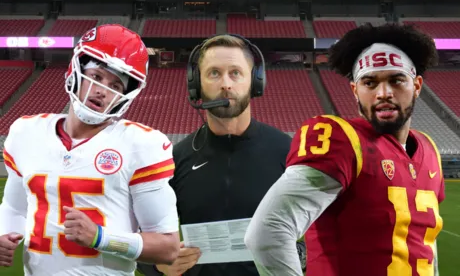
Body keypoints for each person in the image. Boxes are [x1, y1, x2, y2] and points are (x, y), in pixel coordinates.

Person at [244, 23, 445, 276]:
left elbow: (423, 244)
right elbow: (268, 232)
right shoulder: (342, 139)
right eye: (370, 83)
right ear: (355, 91)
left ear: (416, 86)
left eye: (396, 80)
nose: (384, 93)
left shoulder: (428, 149)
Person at [0, 24, 180, 275]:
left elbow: (168, 248)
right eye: (95, 77)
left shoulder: (140, 145)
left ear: (125, 96)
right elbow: (14, 208)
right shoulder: (26, 133)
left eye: (115, 86)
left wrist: (101, 238)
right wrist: (5, 235)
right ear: (75, 72)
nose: (102, 91)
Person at [137, 34, 304, 276]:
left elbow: (316, 234)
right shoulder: (175, 159)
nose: (226, 83)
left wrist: (297, 253)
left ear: (255, 82)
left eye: (235, 72)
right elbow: (143, 238)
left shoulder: (287, 152)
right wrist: (157, 265)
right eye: (214, 73)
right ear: (196, 83)